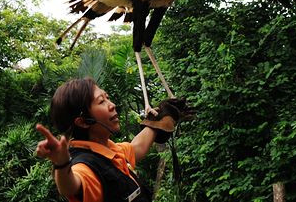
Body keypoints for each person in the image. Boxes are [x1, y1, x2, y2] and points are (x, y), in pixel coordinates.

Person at [35, 77, 190, 202]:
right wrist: (61, 163)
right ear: (82, 121)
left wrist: (161, 117)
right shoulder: (84, 165)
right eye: (101, 101)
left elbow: (137, 147)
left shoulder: (109, 150)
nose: (112, 105)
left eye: (107, 98)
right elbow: (70, 187)